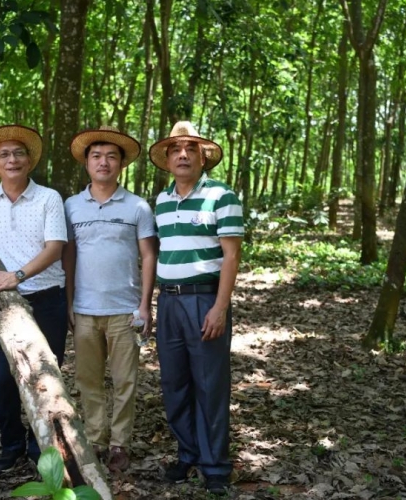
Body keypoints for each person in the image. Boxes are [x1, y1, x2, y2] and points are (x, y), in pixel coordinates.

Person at [148, 121, 243, 496]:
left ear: (203, 157)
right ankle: (187, 453)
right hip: (168, 301)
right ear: (168, 159)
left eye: (190, 148)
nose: (183, 154)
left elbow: (232, 255)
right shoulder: (162, 199)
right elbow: (159, 252)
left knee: (210, 384)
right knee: (174, 383)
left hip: (204, 299)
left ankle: (215, 465)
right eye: (175, 149)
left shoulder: (222, 195)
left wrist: (220, 307)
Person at [0, 124, 68, 473]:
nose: (12, 159)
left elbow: (55, 249)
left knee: (46, 378)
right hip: (4, 305)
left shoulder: (48, 199)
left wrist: (18, 275)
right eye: (4, 155)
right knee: (1, 380)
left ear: (29, 161)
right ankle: (11, 444)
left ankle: (37, 446)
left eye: (18, 153)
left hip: (47, 299)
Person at [63, 126, 157, 472]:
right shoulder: (71, 206)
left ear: (121, 164)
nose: (103, 162)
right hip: (85, 310)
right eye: (96, 156)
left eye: (111, 156)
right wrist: (69, 303)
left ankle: (120, 443)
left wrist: (145, 305)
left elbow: (148, 256)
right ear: (86, 163)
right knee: (87, 381)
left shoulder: (137, 207)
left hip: (124, 310)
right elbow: (68, 257)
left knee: (125, 381)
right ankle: (95, 439)